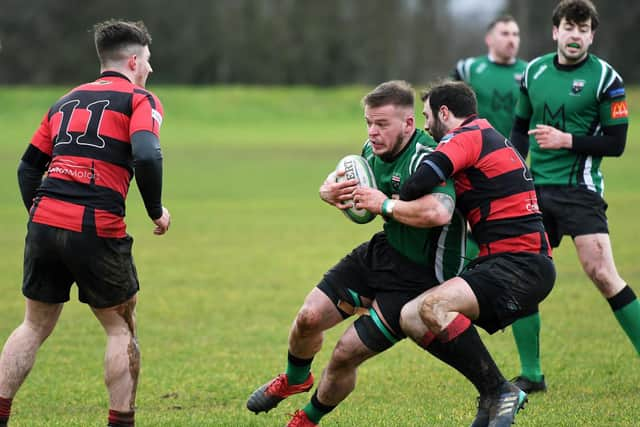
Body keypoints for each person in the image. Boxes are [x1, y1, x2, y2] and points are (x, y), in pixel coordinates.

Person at [246, 80, 516, 427]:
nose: (373, 132)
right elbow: (348, 170)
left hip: (421, 279)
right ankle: (295, 378)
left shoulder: (430, 156)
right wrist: (327, 189)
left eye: (382, 124)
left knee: (344, 355)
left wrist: (385, 204)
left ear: (408, 124)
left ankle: (307, 420)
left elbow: (440, 211)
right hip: (382, 254)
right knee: (308, 318)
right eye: (368, 123)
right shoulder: (372, 150)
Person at [0, 20, 170, 427]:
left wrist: (43, 218)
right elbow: (147, 155)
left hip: (43, 223)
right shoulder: (140, 100)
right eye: (146, 60)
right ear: (133, 60)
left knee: (33, 325)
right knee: (120, 329)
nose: (150, 68)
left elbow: (27, 169)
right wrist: (155, 210)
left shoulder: (65, 102)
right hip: (97, 225)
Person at [399, 80, 556, 426]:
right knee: (411, 316)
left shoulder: (467, 136)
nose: (426, 127)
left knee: (433, 306)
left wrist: (382, 201)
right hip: (505, 263)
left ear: (444, 112)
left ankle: (499, 389)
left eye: (426, 116)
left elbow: (419, 180)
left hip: (520, 265)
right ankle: (491, 393)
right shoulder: (486, 135)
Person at [509, 0, 639, 394]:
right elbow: (518, 130)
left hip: (580, 191)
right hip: (535, 191)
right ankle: (531, 376)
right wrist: (516, 174)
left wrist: (567, 141)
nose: (575, 35)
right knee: (521, 274)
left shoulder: (607, 79)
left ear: (591, 36)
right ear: (555, 31)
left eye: (583, 30)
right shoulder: (533, 72)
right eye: (569, 27)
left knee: (602, 273)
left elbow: (616, 144)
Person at [452, 14, 527, 138]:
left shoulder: (530, 71)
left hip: (514, 151)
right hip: (475, 149)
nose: (511, 39)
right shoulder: (468, 69)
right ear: (489, 39)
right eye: (505, 34)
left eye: (515, 34)